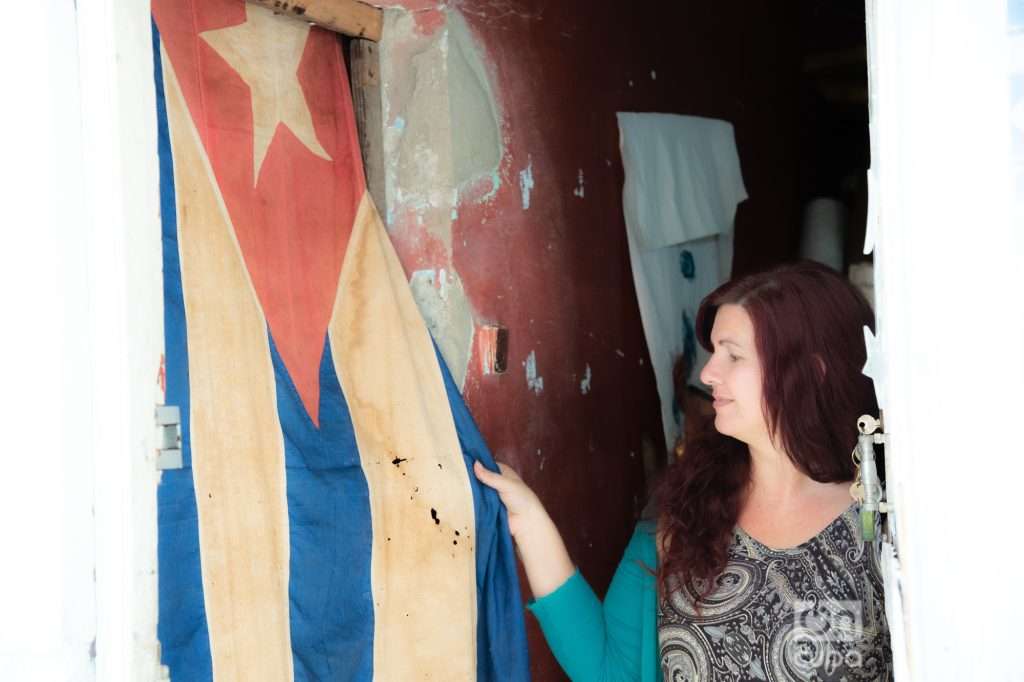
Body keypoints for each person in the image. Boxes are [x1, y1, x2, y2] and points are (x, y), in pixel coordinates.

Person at [474, 261, 893, 681]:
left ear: (810, 372)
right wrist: (530, 522)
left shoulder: (884, 524)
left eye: (734, 355)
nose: (709, 373)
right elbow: (608, 670)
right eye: (713, 353)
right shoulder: (687, 514)